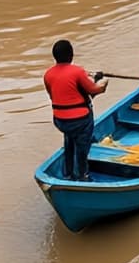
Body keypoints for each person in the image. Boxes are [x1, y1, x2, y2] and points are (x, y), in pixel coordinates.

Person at [43, 39, 107, 181]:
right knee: (82, 148)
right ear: (71, 55)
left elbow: (54, 95)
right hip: (80, 120)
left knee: (69, 139)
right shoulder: (78, 72)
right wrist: (102, 81)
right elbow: (94, 91)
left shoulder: (48, 74)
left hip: (60, 121)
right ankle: (82, 175)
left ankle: (68, 173)